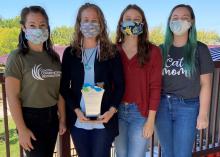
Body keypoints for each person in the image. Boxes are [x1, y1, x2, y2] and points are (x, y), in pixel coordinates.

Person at [60, 3, 124, 157]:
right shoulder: (70, 52)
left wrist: (111, 111)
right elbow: (63, 87)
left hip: (103, 120)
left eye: (94, 20)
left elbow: (120, 85)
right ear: (79, 24)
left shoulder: (111, 51)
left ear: (101, 24)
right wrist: (76, 110)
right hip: (79, 120)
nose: (90, 24)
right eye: (86, 20)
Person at [5, 6, 66, 157]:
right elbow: (12, 97)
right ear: (23, 28)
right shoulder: (17, 57)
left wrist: (63, 119)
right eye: (32, 25)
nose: (38, 29)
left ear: (48, 28)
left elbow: (59, 92)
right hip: (30, 119)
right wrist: (22, 129)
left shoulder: (54, 57)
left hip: (52, 117)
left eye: (42, 25)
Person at [155, 4, 214, 157]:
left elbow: (205, 84)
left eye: (184, 18)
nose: (179, 21)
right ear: (169, 21)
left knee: (182, 153)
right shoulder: (161, 49)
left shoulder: (200, 49)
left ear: (191, 22)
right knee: (168, 153)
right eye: (175, 18)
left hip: (187, 108)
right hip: (161, 106)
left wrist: (203, 114)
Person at [114, 4, 162, 157]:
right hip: (116, 111)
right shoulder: (113, 50)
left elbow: (156, 87)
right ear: (121, 23)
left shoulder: (153, 51)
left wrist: (150, 120)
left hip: (140, 113)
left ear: (142, 24)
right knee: (121, 154)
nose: (132, 22)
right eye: (128, 19)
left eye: (136, 19)